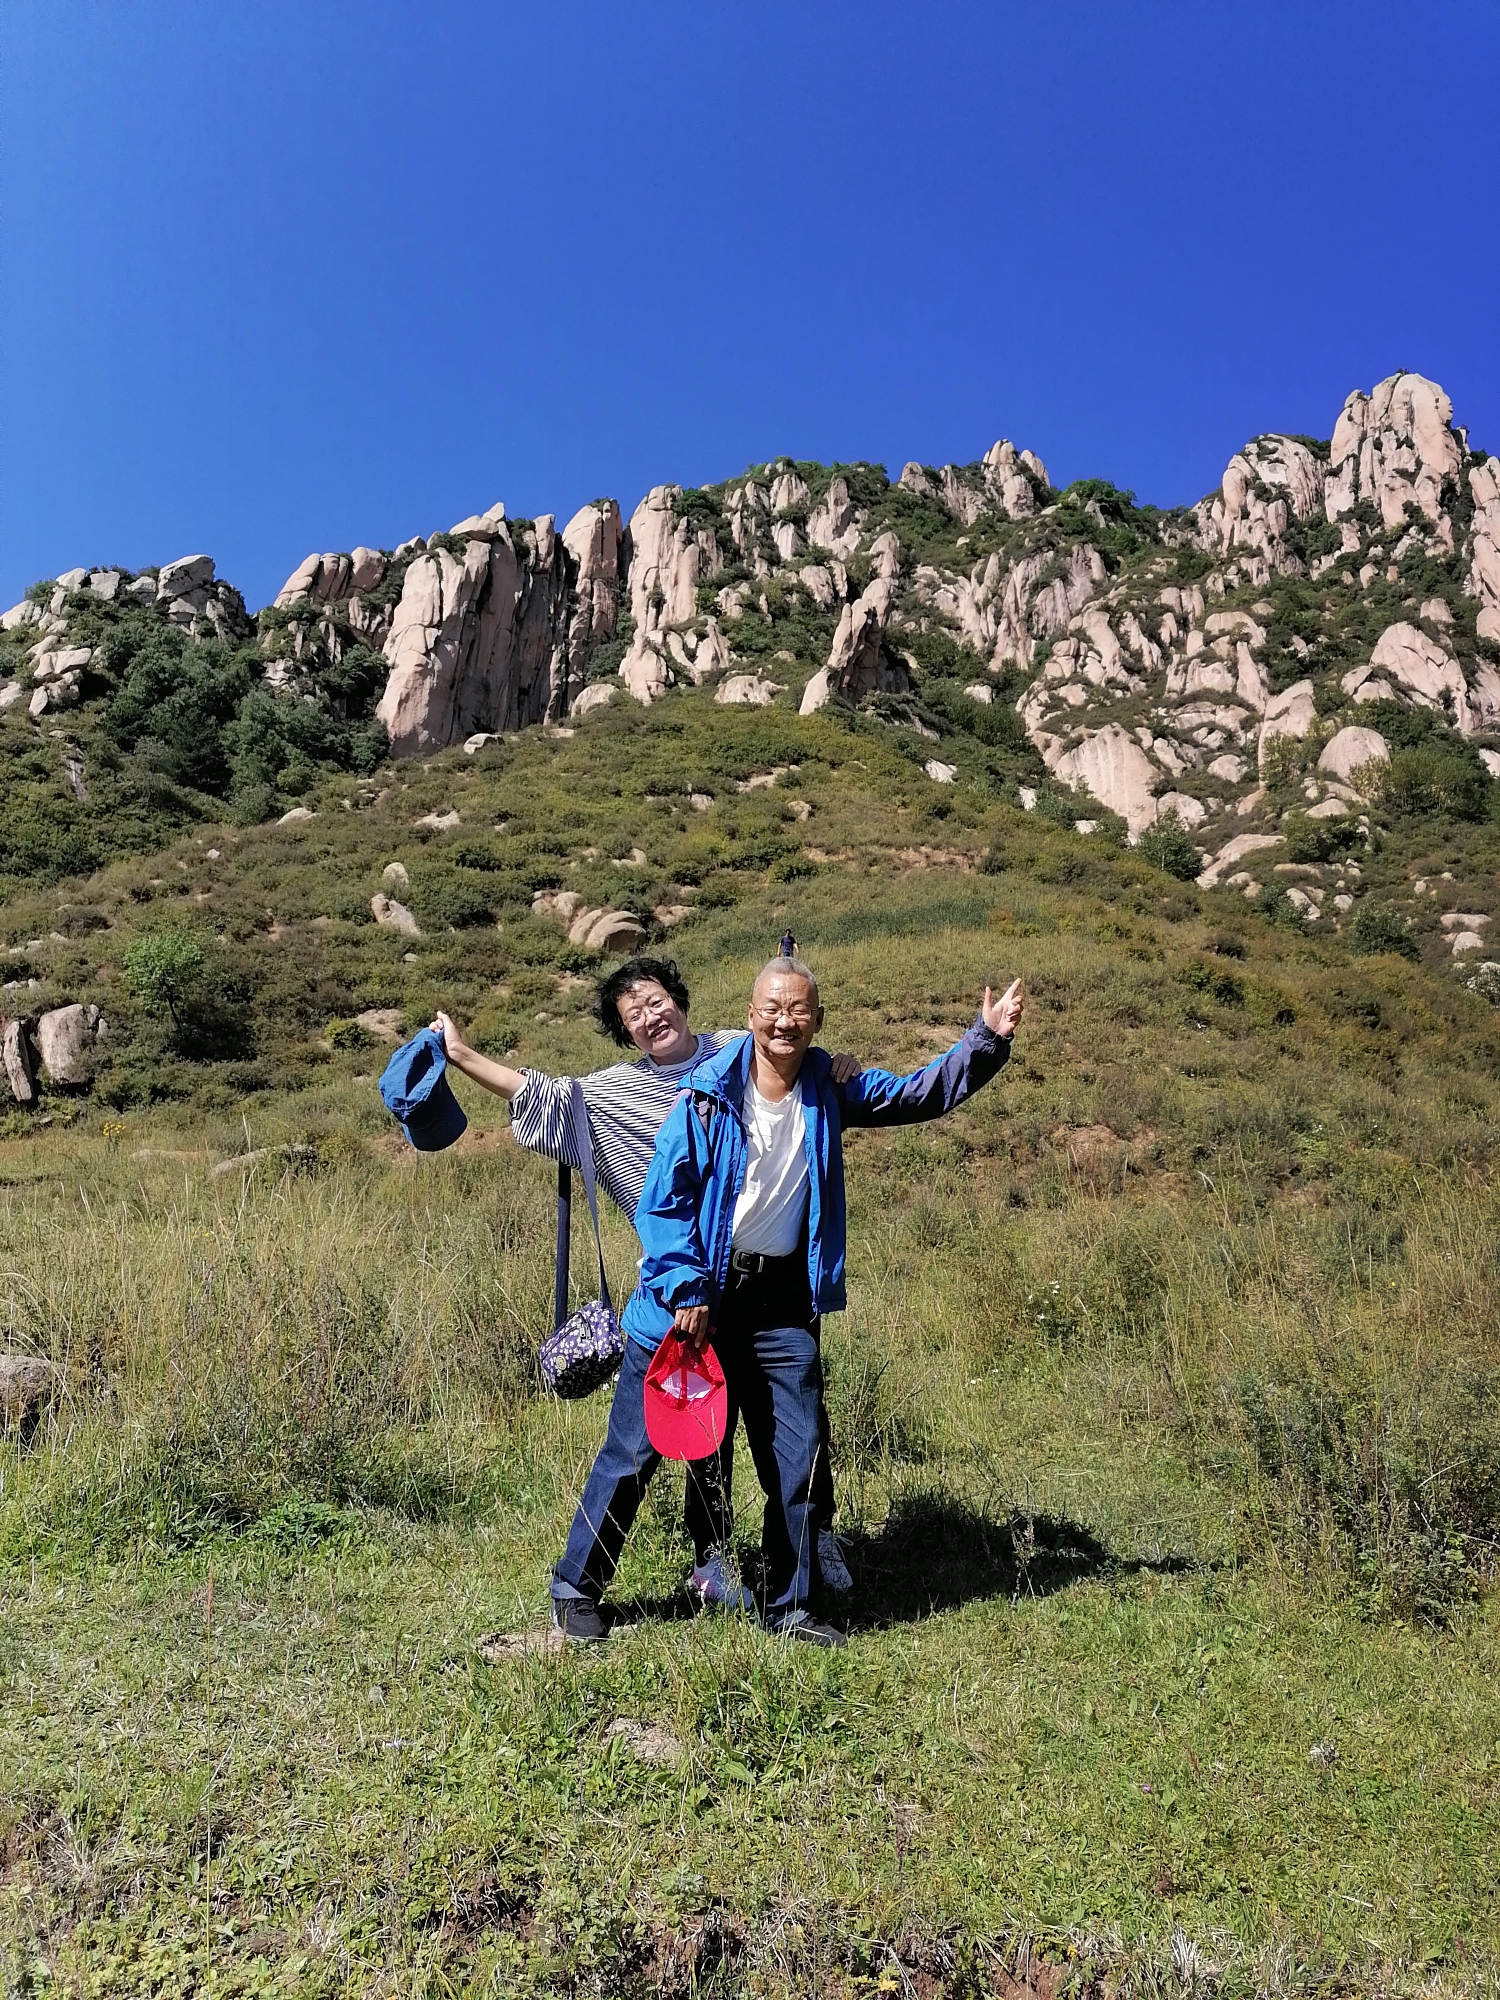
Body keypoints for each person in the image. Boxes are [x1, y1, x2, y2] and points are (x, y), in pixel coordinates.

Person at [550, 953, 1025, 1647]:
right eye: (771, 1009)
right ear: (749, 1018)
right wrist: (685, 1287)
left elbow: (917, 1094)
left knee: (797, 1460)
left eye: (798, 1010)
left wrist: (983, 1040)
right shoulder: (706, 1095)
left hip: (777, 1304)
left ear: (817, 1021)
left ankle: (791, 1607)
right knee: (635, 1452)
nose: (784, 1021)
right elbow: (663, 1202)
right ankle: (576, 1586)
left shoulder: (830, 1088)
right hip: (691, 1304)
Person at [431, 956, 864, 1607]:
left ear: (678, 1000)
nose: (650, 1017)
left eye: (656, 1001)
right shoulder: (614, 1093)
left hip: (769, 1287)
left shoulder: (739, 1051)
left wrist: (838, 1062)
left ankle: (812, 1543)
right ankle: (706, 1559)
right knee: (692, 1434)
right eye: (634, 1015)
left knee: (797, 1430)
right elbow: (539, 1094)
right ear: (626, 1032)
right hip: (683, 1291)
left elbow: (796, 1044)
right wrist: (462, 1055)